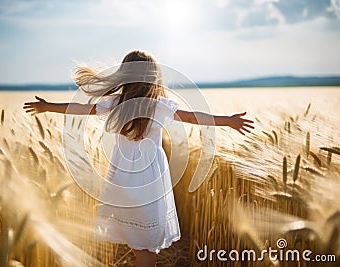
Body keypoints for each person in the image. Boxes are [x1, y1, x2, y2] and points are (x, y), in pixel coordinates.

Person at [23, 50, 254, 267]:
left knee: (138, 241)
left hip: (123, 173)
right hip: (151, 175)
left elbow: (80, 109)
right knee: (144, 242)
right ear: (154, 78)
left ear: (125, 75)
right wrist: (228, 121)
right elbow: (193, 118)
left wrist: (47, 107)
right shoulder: (159, 106)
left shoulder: (117, 103)